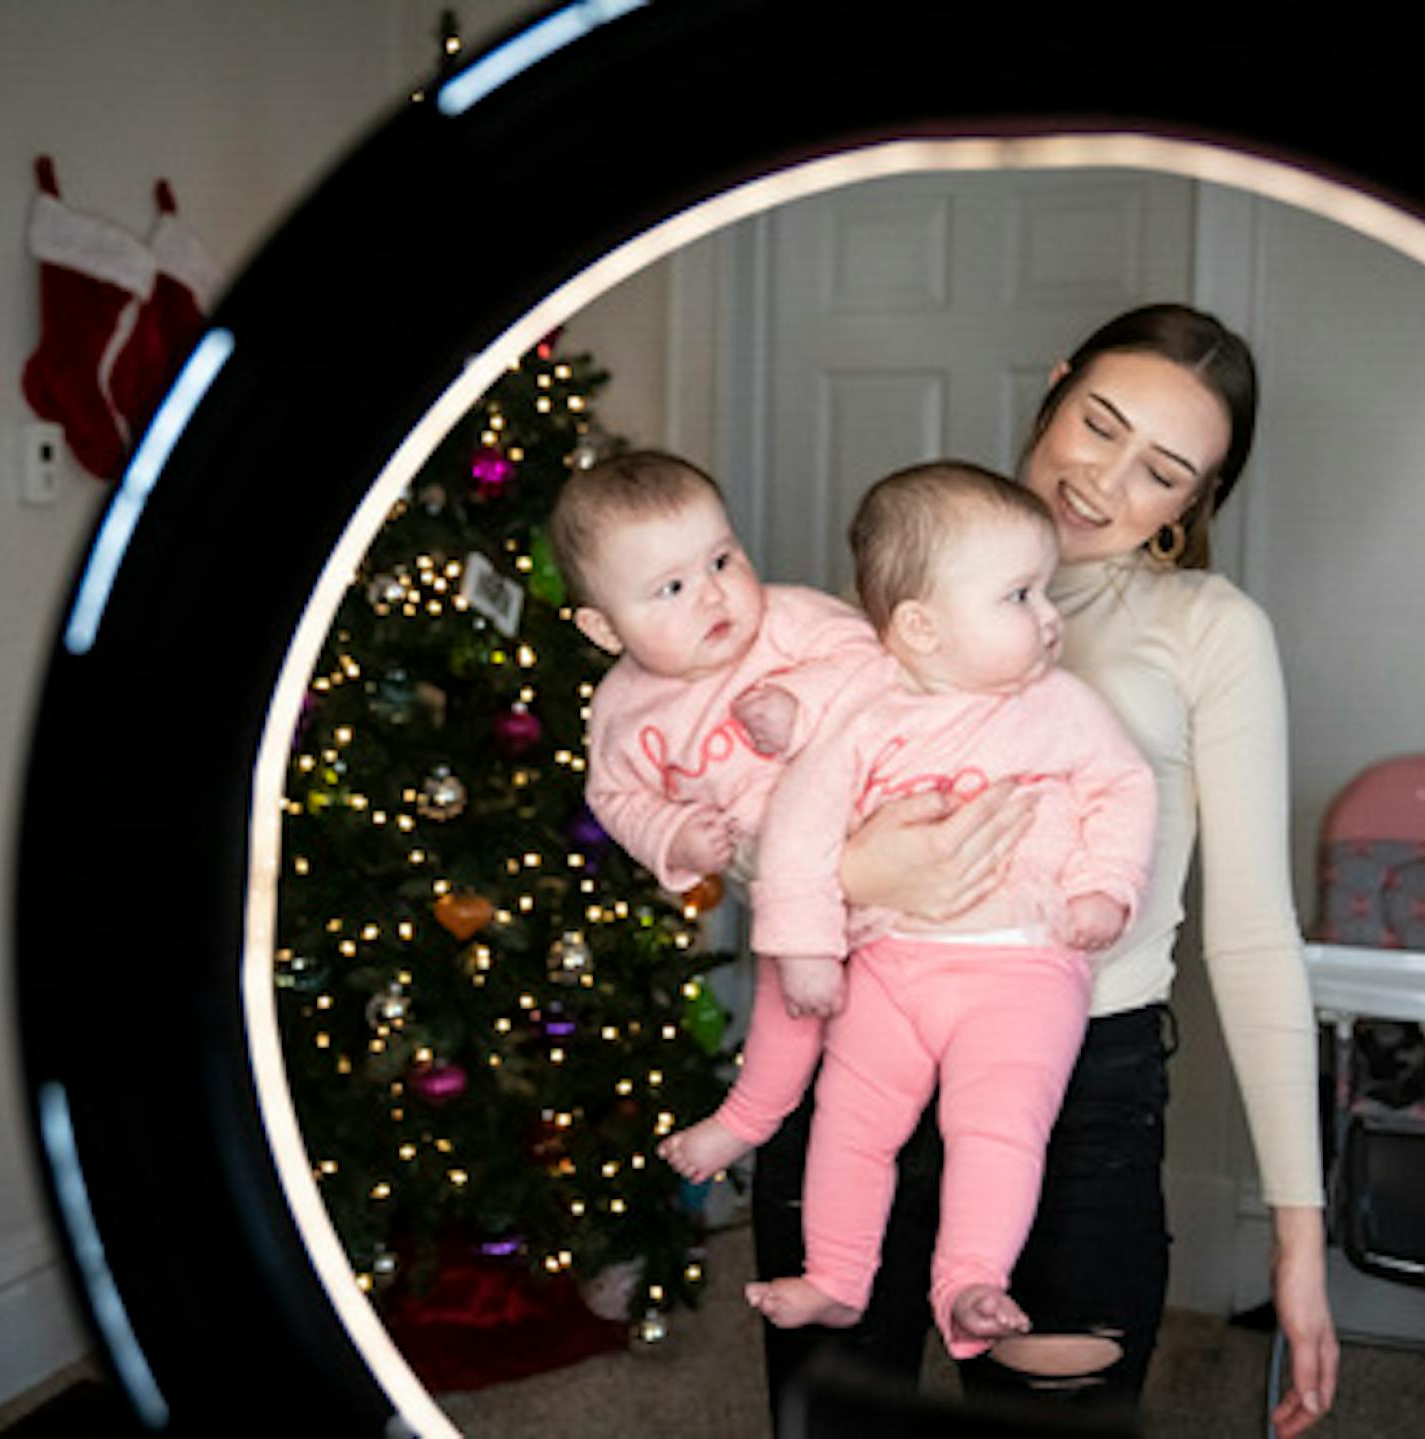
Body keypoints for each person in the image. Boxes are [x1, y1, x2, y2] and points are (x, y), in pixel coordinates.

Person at [752, 303, 1340, 1438]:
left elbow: (1255, 939)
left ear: (1193, 503)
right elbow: (760, 824)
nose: (1104, 481)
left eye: (1162, 470)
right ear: (1057, 388)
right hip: (857, 1055)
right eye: (1097, 423)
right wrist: (864, 867)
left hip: (1076, 1091)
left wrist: (1297, 1237)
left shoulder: (1210, 629)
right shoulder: (903, 583)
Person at [739, 461, 1157, 1361]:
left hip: (1022, 967)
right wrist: (806, 947)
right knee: (851, 1121)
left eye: (1045, 591)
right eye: (1018, 595)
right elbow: (799, 837)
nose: (1052, 618)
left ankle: (971, 1277)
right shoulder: (859, 717)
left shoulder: (1060, 707)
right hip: (889, 966)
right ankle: (837, 1277)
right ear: (921, 627)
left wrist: (1104, 883)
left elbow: (1122, 785)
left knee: (996, 1122)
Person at [552, 449, 886, 1179]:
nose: (711, 597)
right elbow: (615, 797)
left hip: (885, 854)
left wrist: (802, 705)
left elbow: (875, 661)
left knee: (890, 1041)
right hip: (791, 903)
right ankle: (747, 1118)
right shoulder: (622, 711)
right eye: (670, 587)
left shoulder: (790, 620)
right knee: (786, 1012)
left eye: (722, 561)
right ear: (605, 630)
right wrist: (673, 833)